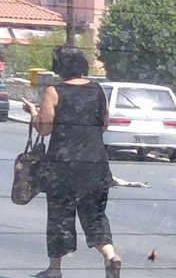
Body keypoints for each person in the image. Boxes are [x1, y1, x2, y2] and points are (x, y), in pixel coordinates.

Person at [22, 46, 121, 278]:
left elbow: (44, 129)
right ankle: (110, 255)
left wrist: (33, 112)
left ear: (58, 67)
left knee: (59, 217)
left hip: (62, 166)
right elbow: (104, 125)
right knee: (95, 214)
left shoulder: (54, 91)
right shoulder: (98, 91)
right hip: (95, 164)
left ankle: (54, 270)